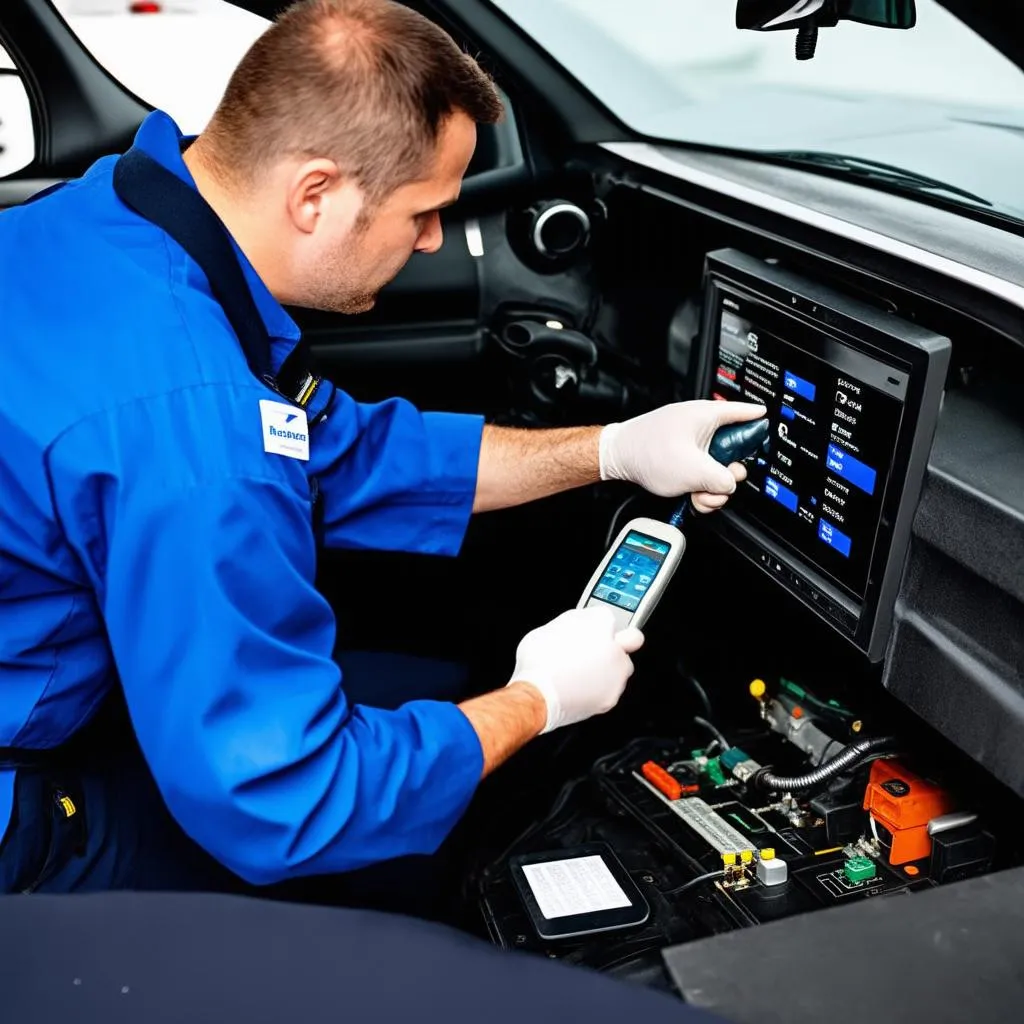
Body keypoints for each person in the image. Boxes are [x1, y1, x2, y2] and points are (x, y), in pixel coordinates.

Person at [0, 0, 764, 895]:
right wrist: (536, 702)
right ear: (315, 193)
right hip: (20, 817)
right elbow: (292, 802)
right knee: (420, 875)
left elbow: (343, 454)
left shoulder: (103, 219)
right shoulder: (193, 434)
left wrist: (616, 448)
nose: (437, 237)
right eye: (425, 210)